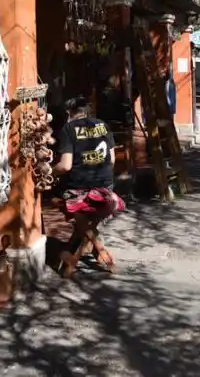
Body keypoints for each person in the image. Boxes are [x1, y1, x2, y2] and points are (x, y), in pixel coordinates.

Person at [53, 95, 124, 274]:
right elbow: (112, 160)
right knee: (87, 225)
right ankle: (77, 251)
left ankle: (73, 255)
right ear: (87, 111)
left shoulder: (68, 129)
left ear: (69, 112)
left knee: (80, 221)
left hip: (78, 191)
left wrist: (51, 171)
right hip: (106, 190)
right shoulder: (103, 125)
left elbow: (66, 165)